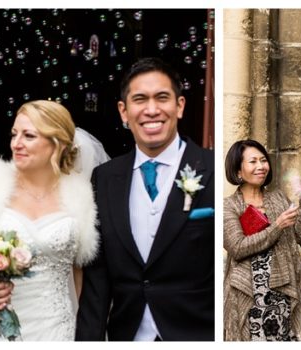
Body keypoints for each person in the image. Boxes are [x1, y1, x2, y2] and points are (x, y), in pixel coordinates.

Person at [76, 57, 215, 341]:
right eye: (140, 99)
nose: (151, 110)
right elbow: (97, 281)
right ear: (123, 112)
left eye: (162, 98)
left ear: (180, 106)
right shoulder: (103, 178)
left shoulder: (210, 169)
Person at [0, 100, 104, 341]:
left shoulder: (79, 197)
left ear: (58, 143)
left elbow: (78, 272)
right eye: (14, 134)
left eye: (28, 136)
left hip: (54, 327)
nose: (16, 144)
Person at [222, 140, 301, 341]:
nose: (261, 166)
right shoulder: (229, 206)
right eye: (253, 161)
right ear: (238, 171)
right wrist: (277, 226)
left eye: (263, 160)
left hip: (284, 289)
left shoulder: (278, 198)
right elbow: (237, 247)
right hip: (249, 295)